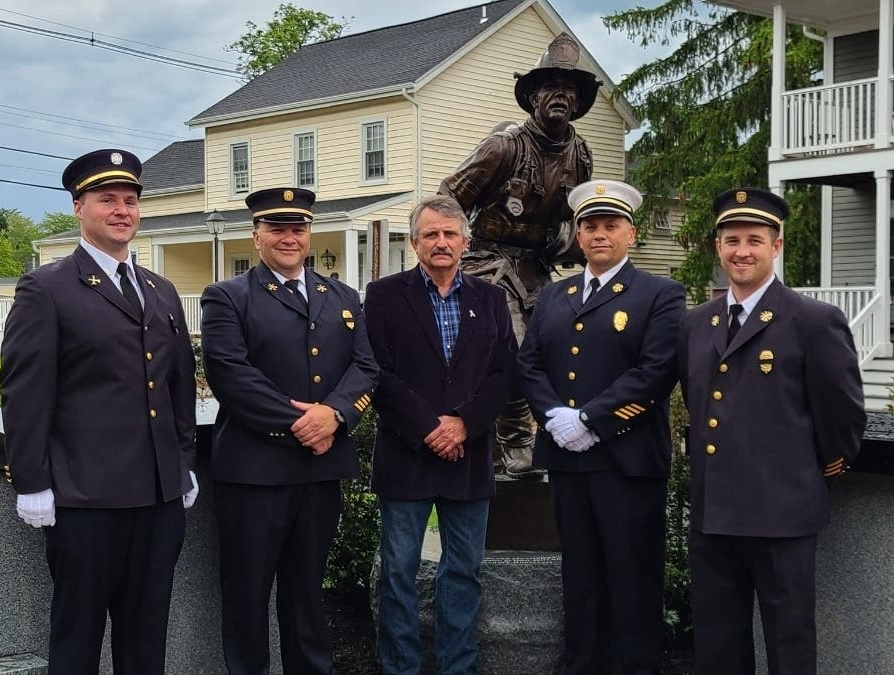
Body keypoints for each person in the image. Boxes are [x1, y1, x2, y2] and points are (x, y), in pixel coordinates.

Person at [0, 148, 198, 674]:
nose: (121, 210)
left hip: (157, 499)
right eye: (106, 199)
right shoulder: (48, 287)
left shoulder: (160, 289)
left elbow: (178, 383)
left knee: (147, 637)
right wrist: (32, 482)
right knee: (78, 637)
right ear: (78, 207)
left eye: (130, 201)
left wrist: (183, 461)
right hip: (84, 501)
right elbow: (23, 392)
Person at [678, 187, 866, 674]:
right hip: (713, 515)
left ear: (776, 246)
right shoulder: (696, 323)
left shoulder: (812, 320)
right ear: (717, 246)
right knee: (718, 648)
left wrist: (820, 468)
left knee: (790, 645)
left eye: (755, 240)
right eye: (732, 239)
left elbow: (843, 414)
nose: (742, 251)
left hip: (781, 515)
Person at [200, 187, 379, 675]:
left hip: (319, 475)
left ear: (309, 233)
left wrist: (337, 415)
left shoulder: (341, 296)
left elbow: (366, 367)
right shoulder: (228, 296)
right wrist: (305, 424)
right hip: (255, 473)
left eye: (297, 228)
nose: (288, 237)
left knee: (307, 597)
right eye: (276, 228)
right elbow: (231, 375)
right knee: (247, 597)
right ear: (256, 236)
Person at [517, 179, 686, 674]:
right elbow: (529, 364)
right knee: (581, 576)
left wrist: (588, 419)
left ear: (630, 234)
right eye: (589, 226)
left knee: (632, 578)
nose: (599, 234)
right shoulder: (554, 295)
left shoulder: (660, 293)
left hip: (626, 462)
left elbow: (656, 371)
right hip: (569, 461)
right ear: (577, 233)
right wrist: (555, 419)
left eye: (611, 225)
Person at [364, 195, 516, 675]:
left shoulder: (490, 299)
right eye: (431, 234)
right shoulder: (384, 296)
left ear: (465, 242)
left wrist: (465, 424)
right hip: (406, 455)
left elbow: (504, 373)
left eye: (450, 234)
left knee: (464, 572)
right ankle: (401, 668)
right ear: (414, 243)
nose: (441, 242)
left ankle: (458, 667)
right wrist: (429, 427)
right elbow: (378, 374)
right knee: (397, 574)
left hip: (468, 459)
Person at [439, 32, 599, 479]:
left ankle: (543, 436)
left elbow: (580, 214)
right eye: (551, 87)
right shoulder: (504, 146)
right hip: (485, 261)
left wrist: (567, 239)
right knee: (512, 344)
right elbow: (449, 196)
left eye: (570, 89)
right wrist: (455, 251)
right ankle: (516, 443)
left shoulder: (580, 153)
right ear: (532, 96)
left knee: (552, 350)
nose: (561, 96)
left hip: (536, 267)